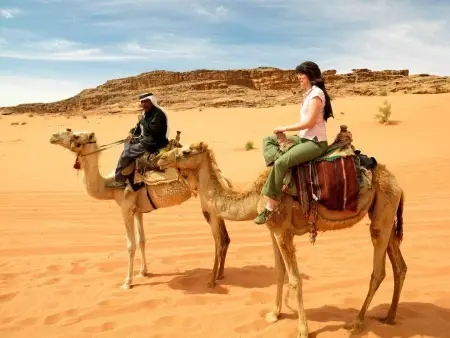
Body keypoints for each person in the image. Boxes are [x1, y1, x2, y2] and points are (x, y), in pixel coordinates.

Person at [254, 61, 334, 224]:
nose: (298, 77)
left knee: (282, 162)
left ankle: (271, 205)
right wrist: (285, 136)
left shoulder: (316, 94)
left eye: (301, 74)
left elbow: (310, 123)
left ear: (310, 75)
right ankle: (282, 176)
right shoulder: (308, 94)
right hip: (303, 138)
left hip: (315, 143)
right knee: (268, 140)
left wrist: (285, 128)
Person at [106, 92, 170, 189]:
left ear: (152, 101)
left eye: (146, 101)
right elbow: (138, 129)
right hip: (145, 139)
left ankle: (119, 180)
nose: (144, 104)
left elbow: (154, 130)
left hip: (154, 143)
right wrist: (131, 133)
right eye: (142, 102)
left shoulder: (158, 114)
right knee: (127, 142)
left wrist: (142, 121)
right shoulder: (146, 113)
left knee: (125, 154)